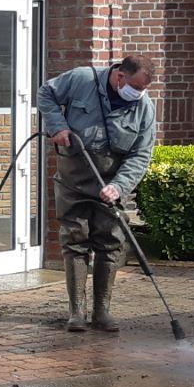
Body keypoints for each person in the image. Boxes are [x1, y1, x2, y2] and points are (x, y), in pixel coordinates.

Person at [37, 55, 158, 333]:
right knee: (75, 239)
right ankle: (76, 313)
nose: (138, 94)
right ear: (119, 77)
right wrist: (57, 126)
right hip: (74, 179)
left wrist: (120, 185)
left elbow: (141, 153)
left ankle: (102, 312)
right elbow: (46, 93)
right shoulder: (81, 79)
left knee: (110, 242)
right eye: (135, 87)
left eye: (143, 90)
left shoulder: (144, 107)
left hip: (110, 182)